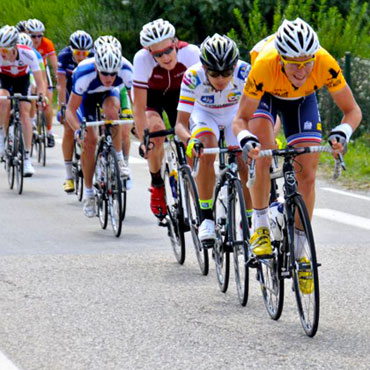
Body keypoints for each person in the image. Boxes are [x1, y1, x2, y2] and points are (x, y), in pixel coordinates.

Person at [232, 18, 362, 258]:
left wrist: (342, 133)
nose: (302, 71)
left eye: (307, 63)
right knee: (262, 151)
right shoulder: (263, 65)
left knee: (308, 175)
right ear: (281, 59)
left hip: (303, 100)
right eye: (295, 64)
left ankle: (301, 250)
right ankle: (260, 225)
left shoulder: (324, 63)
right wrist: (245, 138)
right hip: (267, 96)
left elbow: (353, 111)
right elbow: (240, 119)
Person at [175, 33, 253, 242]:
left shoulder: (245, 72)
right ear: (204, 68)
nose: (221, 79)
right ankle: (206, 218)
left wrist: (269, 133)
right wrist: (190, 140)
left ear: (234, 67)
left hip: (234, 114)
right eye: (214, 73)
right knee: (207, 148)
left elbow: (266, 111)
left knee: (244, 157)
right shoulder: (192, 76)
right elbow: (180, 124)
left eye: (227, 72)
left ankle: (249, 219)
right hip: (204, 114)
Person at [133, 18, 200, 219]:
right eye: (158, 54)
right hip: (154, 98)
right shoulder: (141, 60)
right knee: (155, 131)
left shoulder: (191, 53)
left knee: (191, 138)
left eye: (169, 50)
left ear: (175, 43)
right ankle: (157, 184)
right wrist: (145, 138)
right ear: (149, 52)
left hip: (182, 95)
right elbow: (138, 106)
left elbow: (203, 95)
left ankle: (192, 188)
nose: (165, 57)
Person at [65, 43, 133, 217]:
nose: (109, 77)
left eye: (113, 73)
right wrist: (77, 131)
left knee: (112, 112)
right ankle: (88, 193)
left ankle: (118, 159)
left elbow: (137, 104)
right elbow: (70, 111)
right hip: (86, 97)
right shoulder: (83, 73)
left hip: (109, 94)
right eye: (105, 73)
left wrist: (139, 125)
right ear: (96, 67)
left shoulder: (126, 69)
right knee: (90, 140)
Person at [0, 25, 46, 176]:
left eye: (5, 50)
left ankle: (26, 157)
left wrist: (41, 96)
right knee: (3, 101)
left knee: (25, 114)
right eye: (1, 49)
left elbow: (40, 81)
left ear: (14, 47)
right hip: (4, 79)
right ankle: (2, 136)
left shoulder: (27, 53)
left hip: (22, 80)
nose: (3, 53)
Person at [57, 30, 93, 193]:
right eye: (78, 53)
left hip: (89, 92)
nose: (81, 56)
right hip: (72, 92)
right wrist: (62, 106)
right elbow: (61, 85)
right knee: (68, 129)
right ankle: (69, 176)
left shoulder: (94, 55)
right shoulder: (64, 57)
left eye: (84, 53)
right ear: (72, 50)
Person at [93, 35, 133, 182]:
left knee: (124, 130)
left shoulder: (125, 66)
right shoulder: (92, 66)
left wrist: (128, 112)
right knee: (93, 133)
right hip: (96, 94)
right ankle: (100, 160)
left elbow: (127, 93)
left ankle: (123, 162)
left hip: (118, 93)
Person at [26, 18, 57, 147]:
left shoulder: (47, 43)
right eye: (33, 36)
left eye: (39, 35)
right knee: (32, 95)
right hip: (29, 71)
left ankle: (49, 132)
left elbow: (54, 64)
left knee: (47, 101)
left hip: (43, 71)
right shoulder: (24, 43)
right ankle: (32, 125)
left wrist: (57, 79)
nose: (36, 39)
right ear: (28, 34)